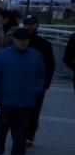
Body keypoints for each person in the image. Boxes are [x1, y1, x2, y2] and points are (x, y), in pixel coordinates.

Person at [0, 27, 45, 155]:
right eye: (20, 40)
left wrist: (37, 90)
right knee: (3, 125)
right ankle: (0, 140)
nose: (22, 43)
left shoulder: (36, 56)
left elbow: (41, 76)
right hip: (6, 100)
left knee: (22, 130)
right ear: (14, 40)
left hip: (27, 101)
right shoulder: (3, 55)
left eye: (25, 40)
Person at [23, 14, 56, 147]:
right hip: (19, 83)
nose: (29, 27)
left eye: (32, 24)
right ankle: (20, 133)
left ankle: (29, 136)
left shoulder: (44, 44)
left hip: (37, 84)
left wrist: (46, 83)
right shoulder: (17, 41)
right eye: (27, 24)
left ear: (37, 25)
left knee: (34, 110)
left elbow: (50, 65)